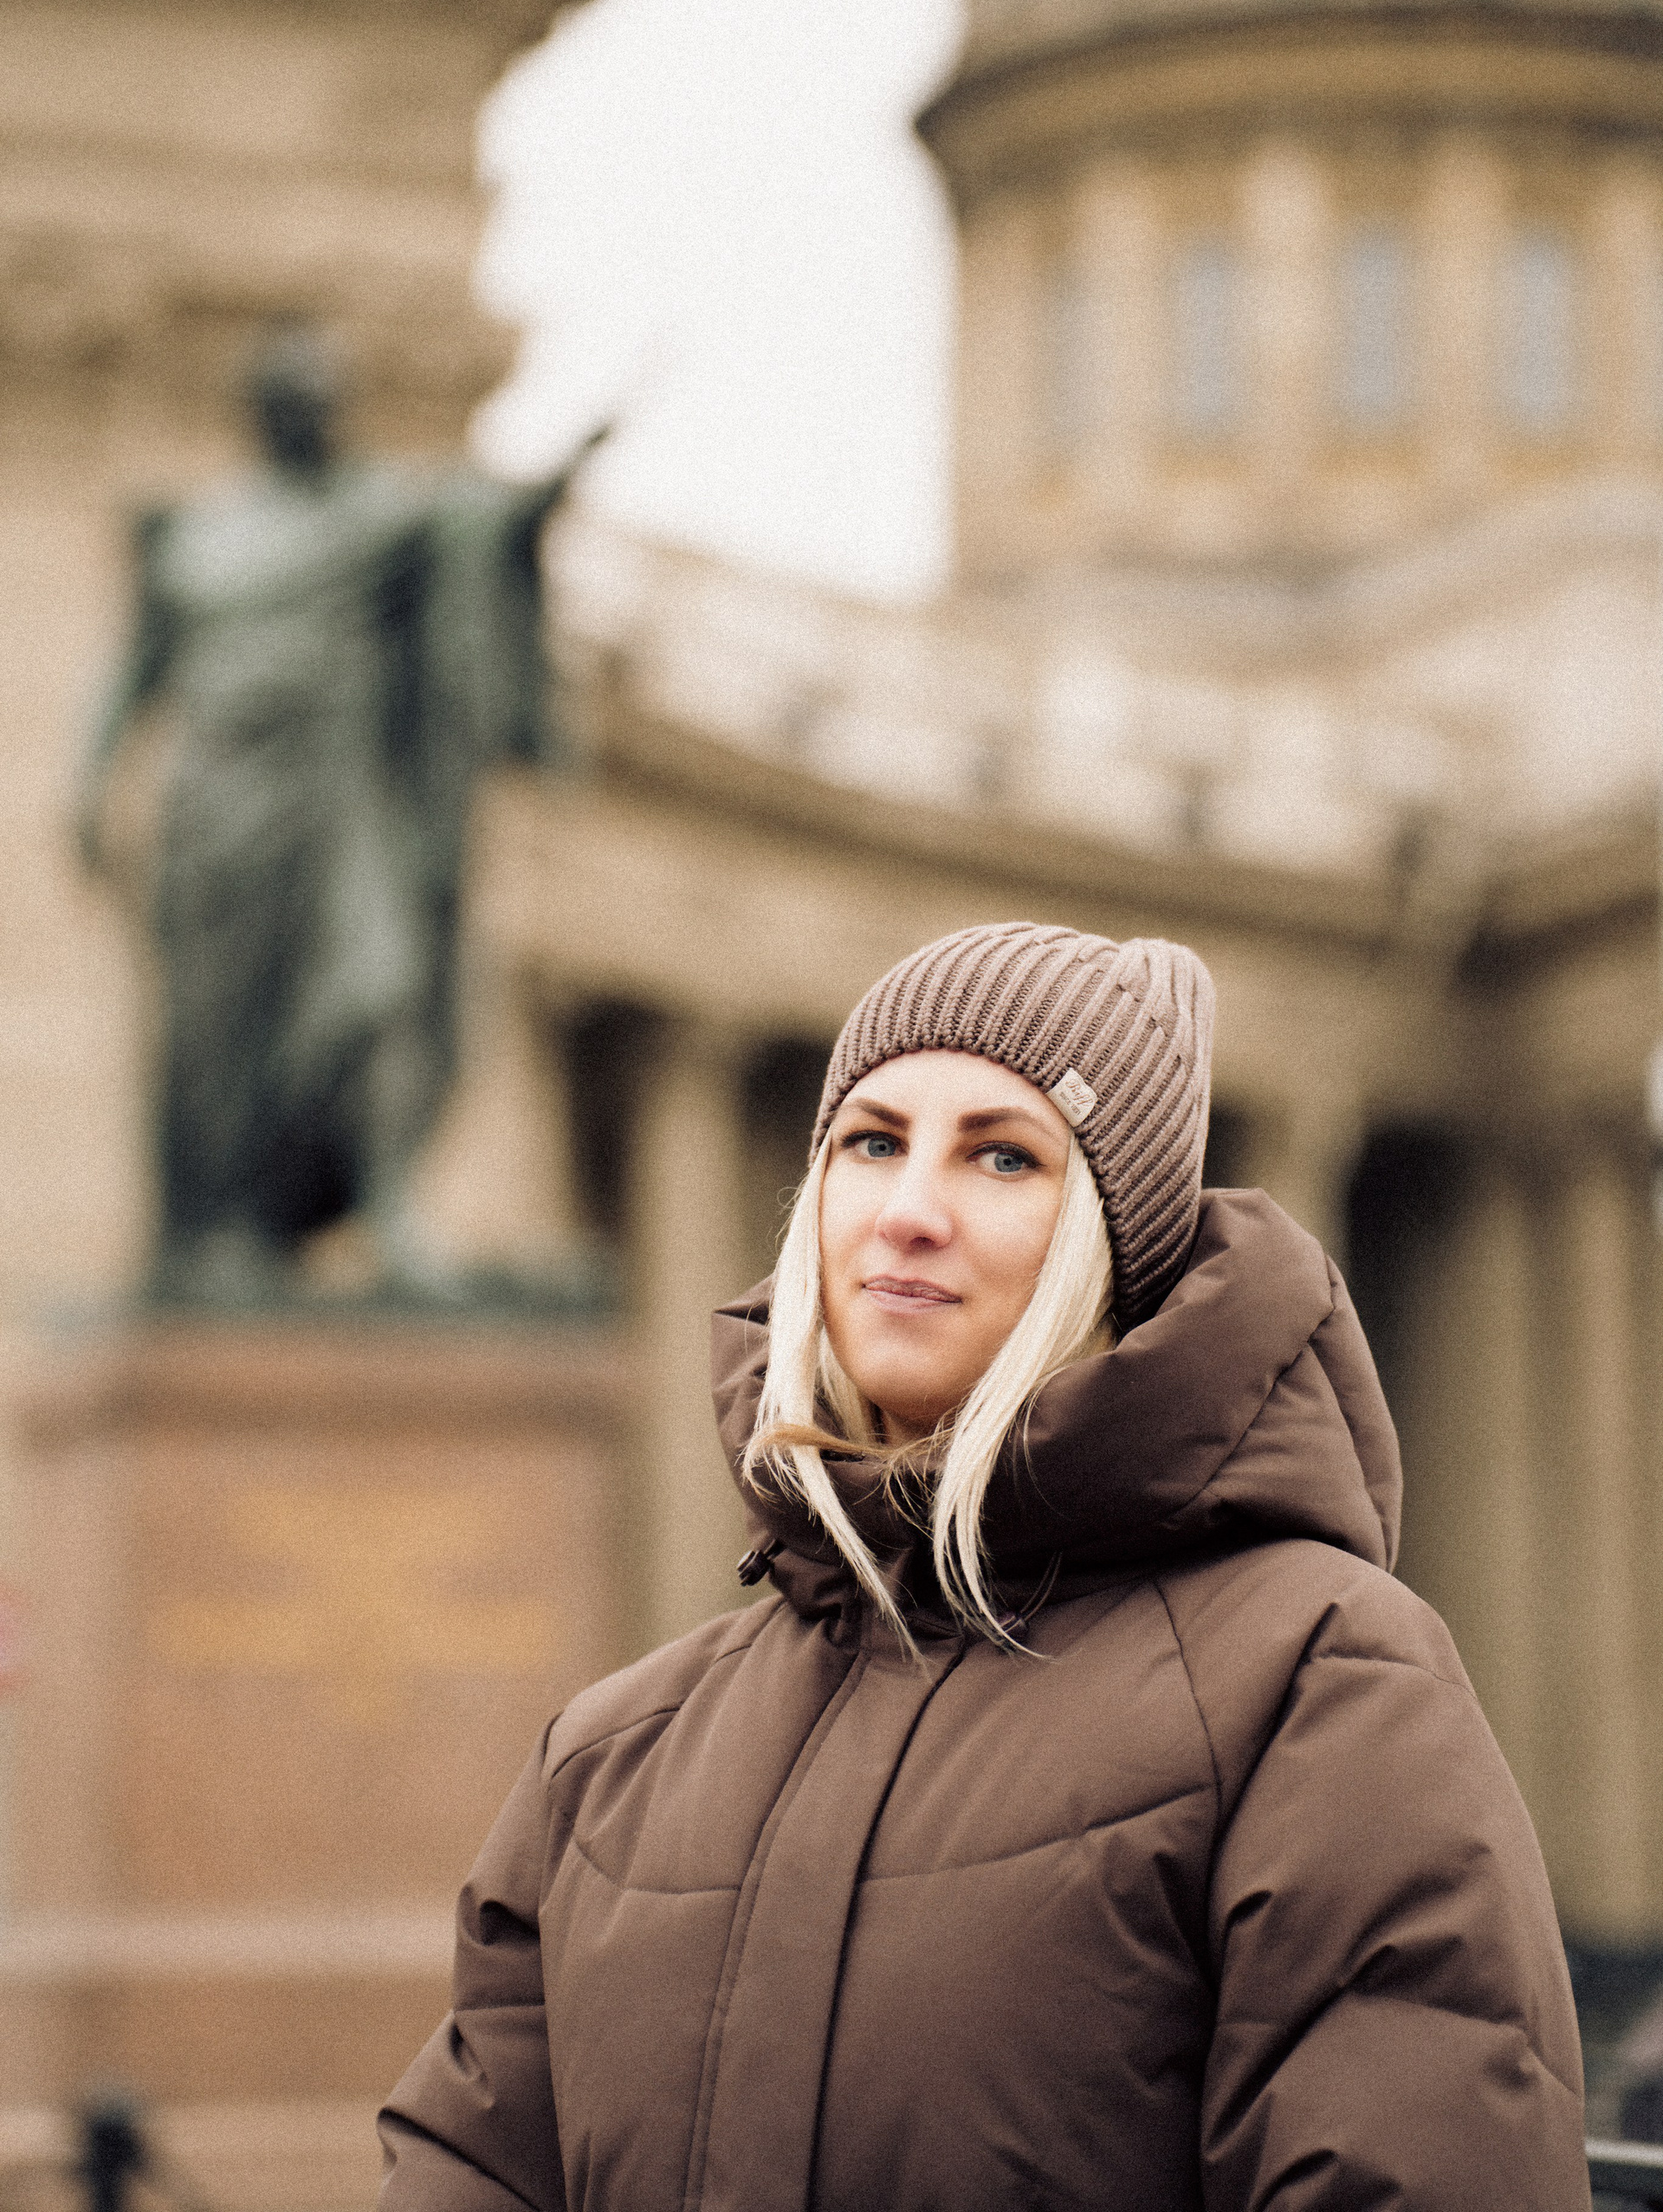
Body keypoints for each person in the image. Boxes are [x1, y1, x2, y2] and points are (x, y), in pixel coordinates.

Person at [379, 921, 1591, 2211]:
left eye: (1003, 1155)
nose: (909, 1211)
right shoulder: (607, 1759)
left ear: (1112, 1251)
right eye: (871, 1142)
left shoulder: (1318, 1685)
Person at [76, 324, 601, 1304]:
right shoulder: (194, 534)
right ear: (262, 414)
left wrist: (560, 478)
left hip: (342, 793)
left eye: (324, 398)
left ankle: (388, 1203)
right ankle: (223, 1231)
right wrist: (88, 783)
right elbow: (137, 670)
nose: (311, 413)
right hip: (218, 808)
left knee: (379, 985)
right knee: (217, 1028)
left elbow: (482, 531)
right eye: (294, 398)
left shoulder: (378, 510)